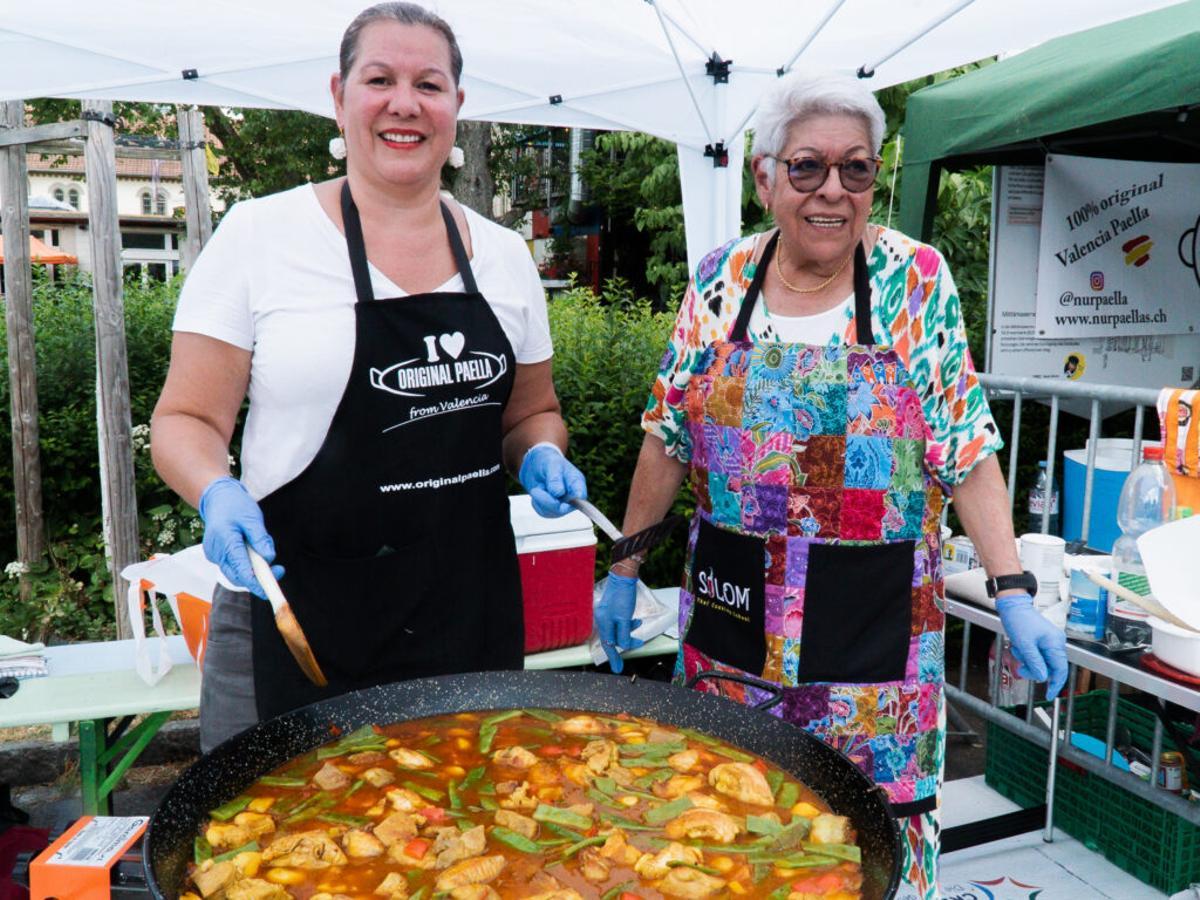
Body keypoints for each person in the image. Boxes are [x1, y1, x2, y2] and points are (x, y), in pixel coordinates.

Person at [595, 71, 1067, 899]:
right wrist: (625, 566)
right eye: (808, 166)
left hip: (873, 650)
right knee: (723, 840)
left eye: (857, 169)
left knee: (864, 854)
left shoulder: (912, 281)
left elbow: (965, 446)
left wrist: (1014, 587)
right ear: (764, 174)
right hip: (732, 630)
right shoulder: (719, 281)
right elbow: (667, 436)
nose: (834, 191)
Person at [151, 2, 585, 753]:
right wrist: (215, 491)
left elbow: (530, 413)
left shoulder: (504, 254)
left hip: (466, 621)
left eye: (430, 83)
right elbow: (184, 421)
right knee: (270, 852)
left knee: (469, 847)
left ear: (457, 105)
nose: (404, 103)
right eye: (379, 79)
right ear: (339, 95)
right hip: (301, 619)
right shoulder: (260, 237)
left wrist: (542, 451)